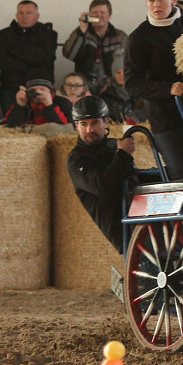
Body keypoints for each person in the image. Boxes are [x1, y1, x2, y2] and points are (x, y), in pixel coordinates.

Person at [125, 0, 183, 179]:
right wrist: (167, 89)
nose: (156, 5)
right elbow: (132, 84)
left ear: (174, 0)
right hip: (165, 117)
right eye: (151, 0)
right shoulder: (138, 38)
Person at [67, 96, 135, 253]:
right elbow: (102, 185)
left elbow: (132, 174)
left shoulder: (114, 145)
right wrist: (123, 155)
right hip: (122, 227)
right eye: (83, 124)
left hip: (140, 213)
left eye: (95, 123)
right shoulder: (76, 159)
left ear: (106, 122)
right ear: (76, 126)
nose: (89, 130)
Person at [0, 0, 58, 111]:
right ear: (16, 16)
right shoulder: (5, 34)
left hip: (40, 87)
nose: (25, 16)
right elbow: (1, 62)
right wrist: (32, 60)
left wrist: (14, 51)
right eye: (21, 13)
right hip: (11, 87)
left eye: (29, 13)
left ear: (37, 16)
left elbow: (46, 59)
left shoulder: (48, 34)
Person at [62, 0, 128, 93]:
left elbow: (126, 63)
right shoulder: (81, 32)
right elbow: (69, 54)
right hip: (83, 86)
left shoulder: (120, 36)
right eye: (95, 12)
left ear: (109, 15)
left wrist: (112, 83)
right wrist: (82, 30)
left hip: (112, 87)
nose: (98, 15)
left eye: (102, 12)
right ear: (89, 15)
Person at [2, 78, 73, 127]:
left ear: (50, 91)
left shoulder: (63, 102)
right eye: (33, 90)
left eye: (42, 89)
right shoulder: (25, 102)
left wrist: (49, 105)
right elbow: (7, 127)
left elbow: (66, 129)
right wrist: (20, 105)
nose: (38, 92)